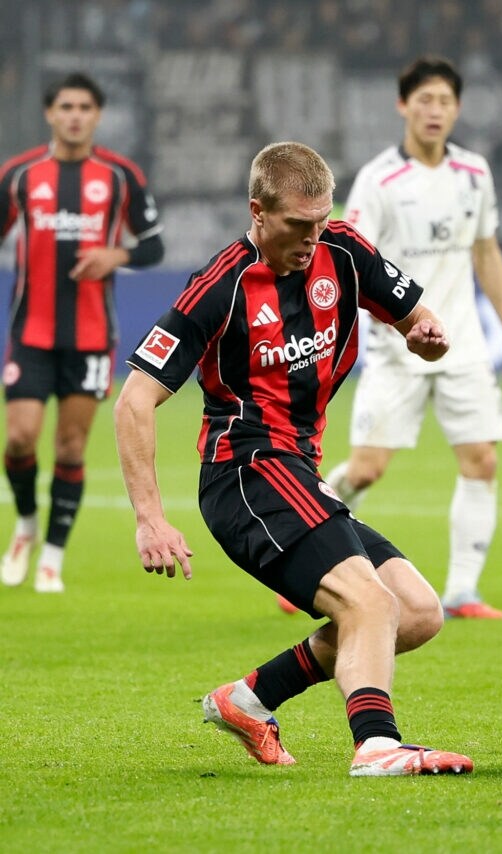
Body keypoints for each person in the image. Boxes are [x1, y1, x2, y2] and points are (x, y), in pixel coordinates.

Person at [114, 140, 474, 778]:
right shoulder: (218, 287)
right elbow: (134, 402)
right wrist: (150, 517)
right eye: (297, 225)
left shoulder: (344, 250)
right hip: (245, 473)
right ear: (258, 212)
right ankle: (377, 745)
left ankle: (248, 699)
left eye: (321, 221)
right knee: (370, 603)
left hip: (298, 473)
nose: (313, 237)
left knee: (416, 614)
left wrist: (425, 338)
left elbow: (422, 323)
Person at [325, 55, 502, 620]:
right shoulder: (379, 180)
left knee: (481, 460)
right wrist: (386, 325)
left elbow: (486, 250)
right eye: (425, 100)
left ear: (458, 109)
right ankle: (315, 527)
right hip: (397, 346)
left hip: (462, 344)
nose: (435, 111)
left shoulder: (474, 173)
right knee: (367, 469)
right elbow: (353, 259)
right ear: (403, 106)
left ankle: (462, 591)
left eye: (445, 101)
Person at [0, 72, 164, 593]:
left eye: (84, 107)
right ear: (50, 113)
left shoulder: (120, 177)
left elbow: (154, 245)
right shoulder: (20, 175)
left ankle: (52, 556)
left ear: (97, 115)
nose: (74, 115)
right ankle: (25, 523)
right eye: (65, 106)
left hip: (92, 334)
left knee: (71, 448)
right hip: (31, 330)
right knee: (20, 439)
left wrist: (116, 253)